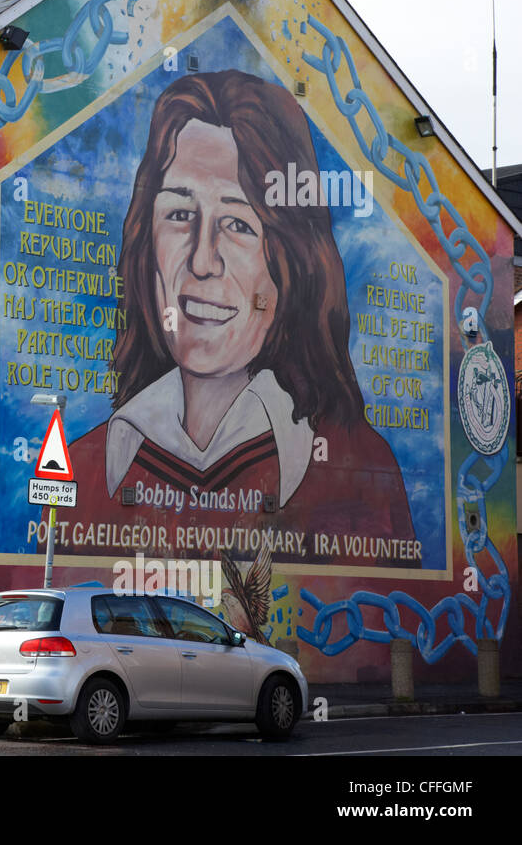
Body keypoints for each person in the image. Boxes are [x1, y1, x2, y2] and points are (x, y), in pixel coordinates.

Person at [57, 70, 416, 567]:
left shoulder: (356, 471)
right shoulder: (88, 470)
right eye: (180, 215)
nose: (203, 261)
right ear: (146, 244)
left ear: (291, 263)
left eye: (239, 224)